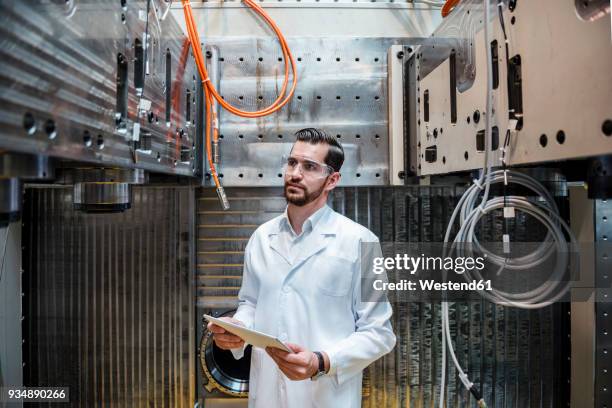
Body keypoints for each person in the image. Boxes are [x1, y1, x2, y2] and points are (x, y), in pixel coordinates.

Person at [207, 128, 396, 408]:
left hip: (326, 398)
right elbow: (250, 304)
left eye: (309, 167)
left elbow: (379, 333)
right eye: (292, 162)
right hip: (267, 396)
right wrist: (237, 329)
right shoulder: (261, 237)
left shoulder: (361, 241)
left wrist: (320, 362)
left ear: (332, 180)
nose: (295, 173)